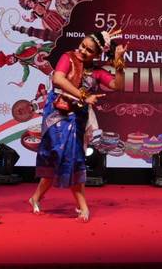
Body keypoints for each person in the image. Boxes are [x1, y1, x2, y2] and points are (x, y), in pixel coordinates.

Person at [28, 28, 126, 222]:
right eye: (82, 45)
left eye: (89, 50)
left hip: (77, 118)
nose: (82, 50)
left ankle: (36, 197)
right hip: (57, 114)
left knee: (67, 157)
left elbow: (118, 85)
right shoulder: (68, 58)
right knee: (65, 156)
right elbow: (58, 79)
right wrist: (83, 95)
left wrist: (119, 61)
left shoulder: (96, 72)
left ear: (97, 55)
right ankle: (83, 207)